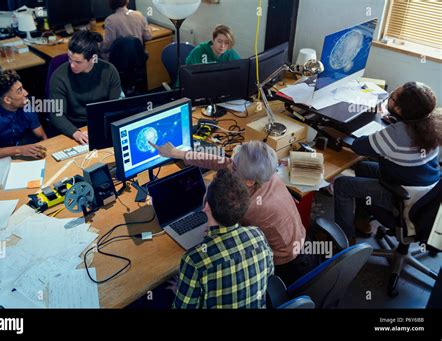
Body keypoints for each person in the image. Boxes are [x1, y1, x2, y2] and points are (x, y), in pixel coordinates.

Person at [151, 140, 319, 286]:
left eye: (235, 166)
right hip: (302, 241)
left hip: (287, 265)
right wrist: (178, 153)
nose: (230, 165)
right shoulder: (265, 173)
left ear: (249, 181)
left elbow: (221, 239)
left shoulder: (252, 208)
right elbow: (222, 163)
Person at [334, 82, 441, 244]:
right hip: (428, 191)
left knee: (342, 184)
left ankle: (343, 241)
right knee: (363, 167)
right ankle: (362, 221)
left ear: (399, 109)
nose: (389, 98)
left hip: (406, 201)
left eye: (391, 97)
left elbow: (359, 147)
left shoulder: (398, 134)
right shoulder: (432, 124)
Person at [173, 168, 274, 308]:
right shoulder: (258, 236)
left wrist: (179, 288)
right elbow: (270, 275)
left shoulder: (194, 261)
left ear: (206, 206)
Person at [49, 30, 122, 145]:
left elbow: (115, 107)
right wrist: (75, 133)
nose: (72, 65)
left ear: (93, 58)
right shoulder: (59, 76)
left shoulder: (109, 71)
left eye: (78, 62)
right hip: (73, 127)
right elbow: (55, 114)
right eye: (70, 59)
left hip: (102, 124)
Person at [0, 70, 47, 161]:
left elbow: (42, 136)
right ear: (7, 100)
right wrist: (18, 150)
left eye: (22, 88)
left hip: (17, 158)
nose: (26, 93)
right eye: (19, 91)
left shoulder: (26, 108)